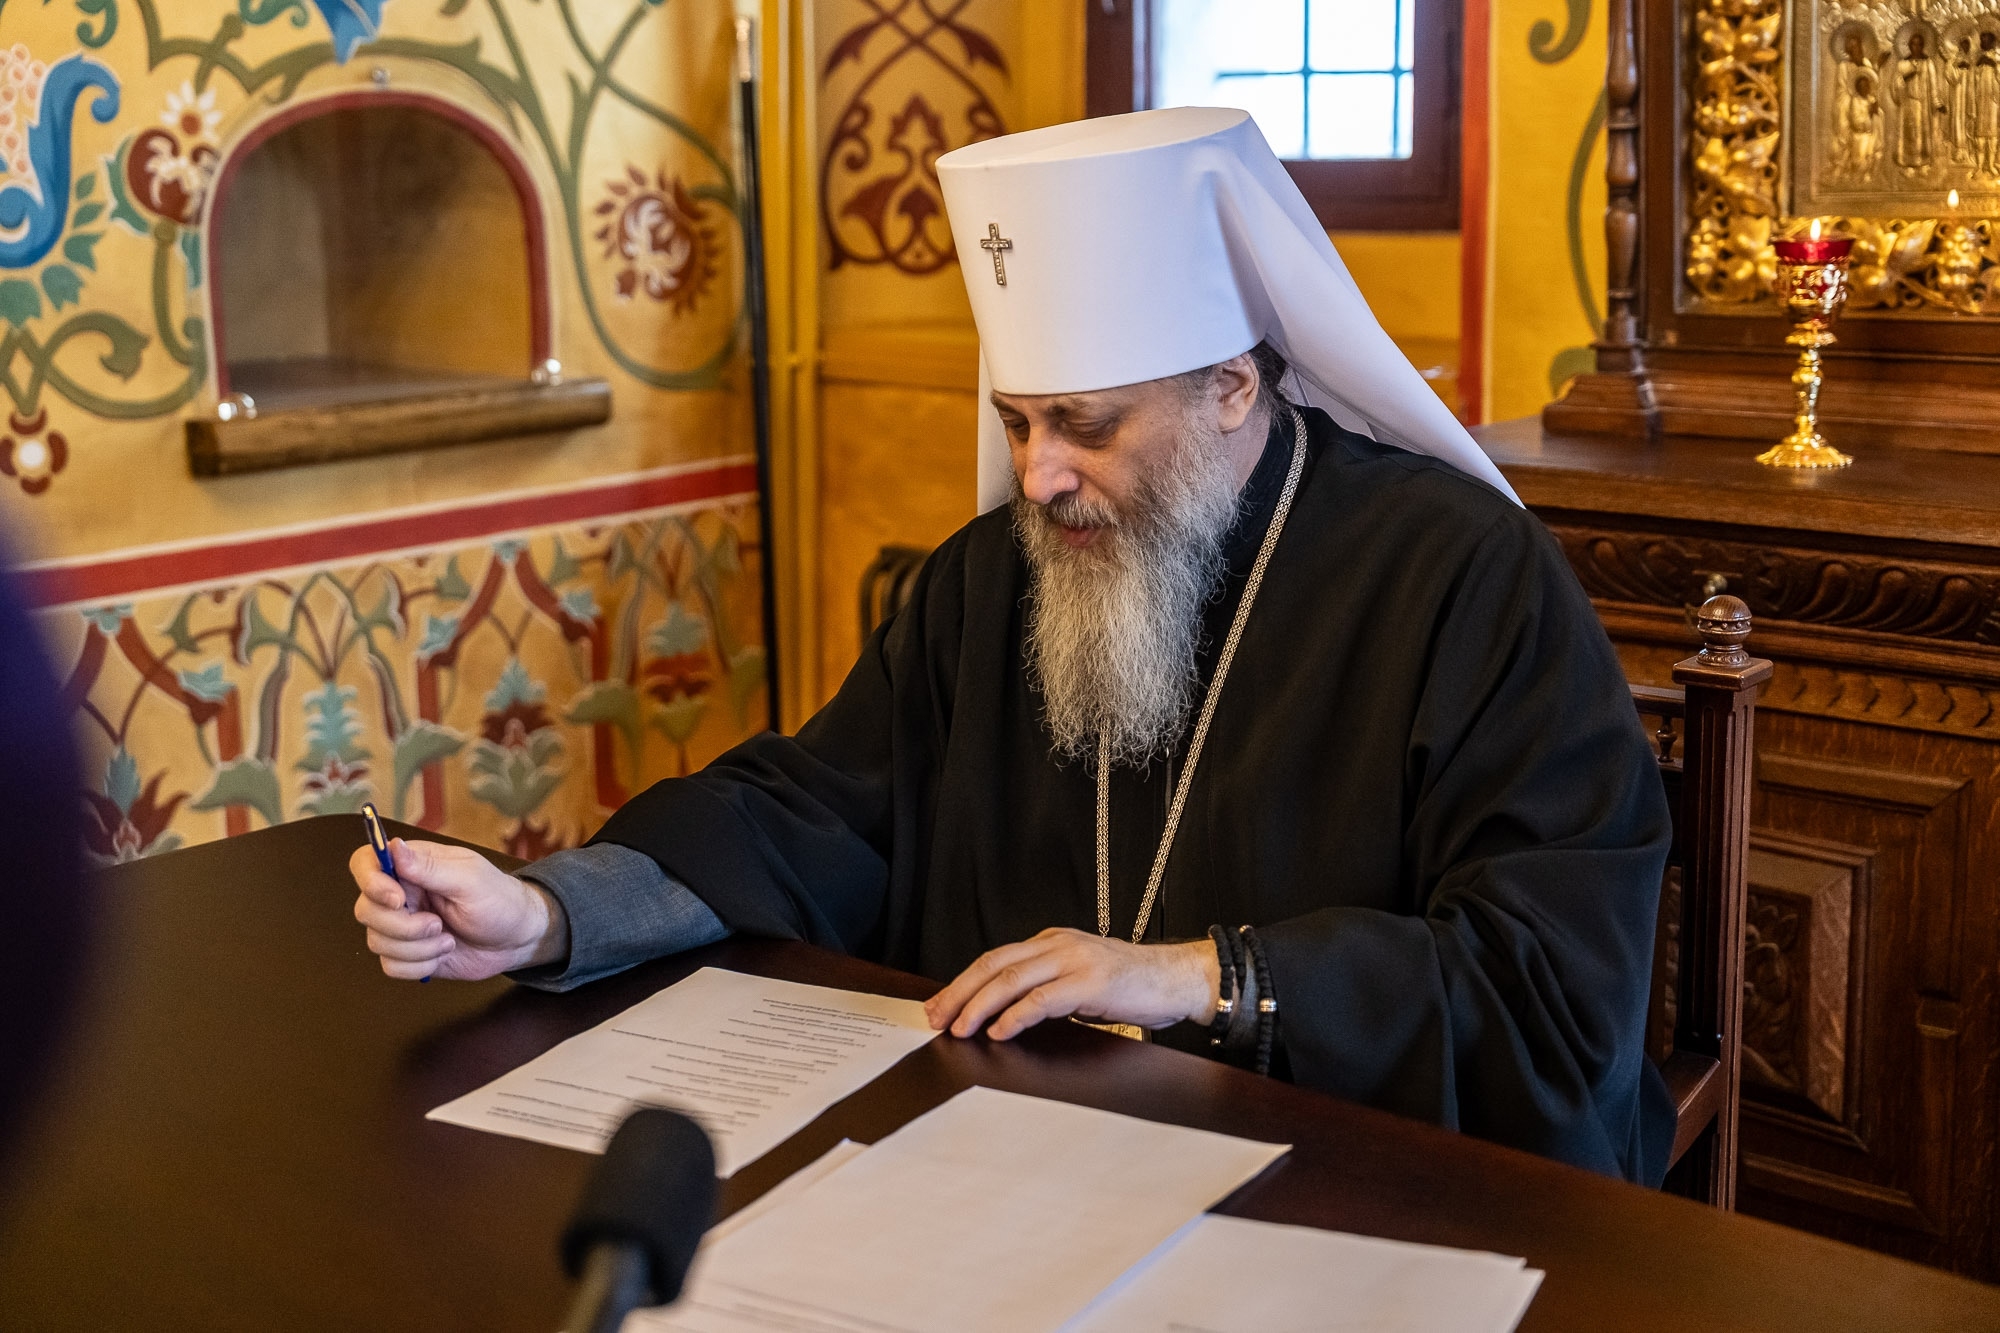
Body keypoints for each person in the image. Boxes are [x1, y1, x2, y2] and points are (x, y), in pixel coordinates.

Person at [351, 109, 1674, 1184]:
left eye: (1085, 425)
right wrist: (548, 912)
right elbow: (820, 811)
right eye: (1017, 421)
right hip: (1017, 1164)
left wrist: (1197, 977)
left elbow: (1551, 986)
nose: (1035, 477)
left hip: (1342, 1179)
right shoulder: (997, 576)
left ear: (1232, 386)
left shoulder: (1465, 580)